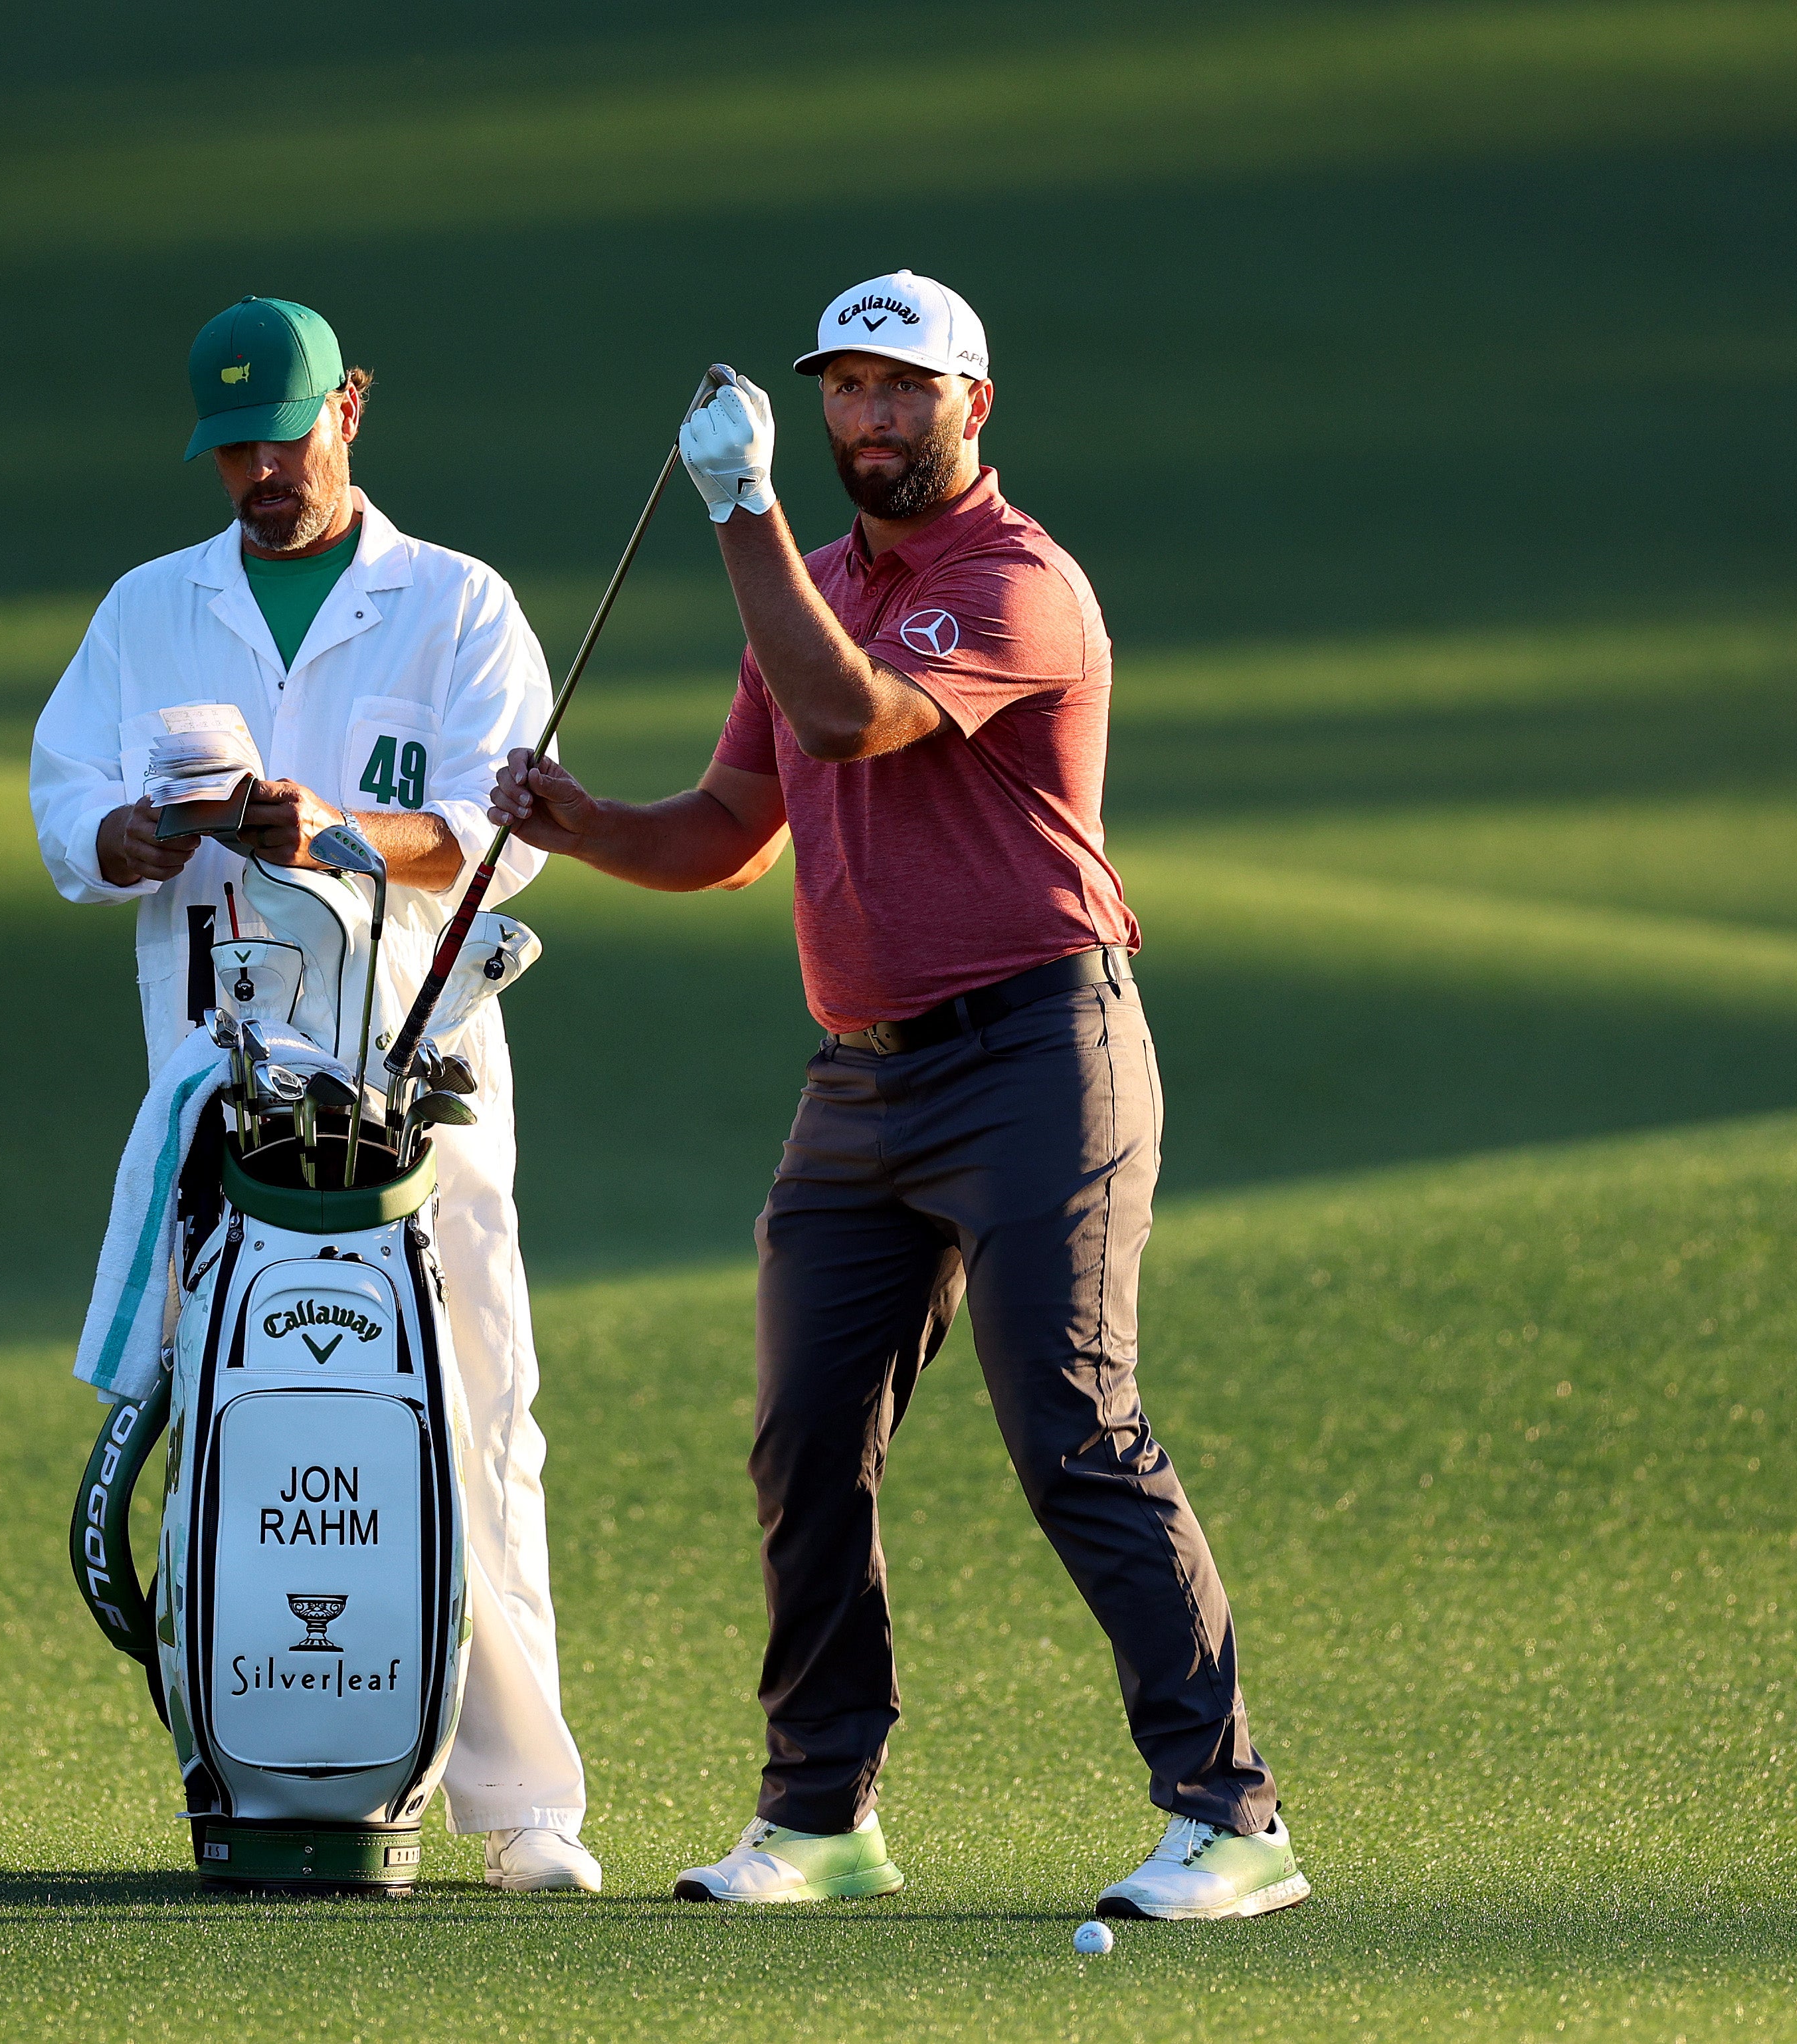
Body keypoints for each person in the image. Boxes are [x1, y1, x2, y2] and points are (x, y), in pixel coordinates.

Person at [485, 271, 1304, 1921]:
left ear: (971, 404)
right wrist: (578, 820)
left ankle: (1230, 1819)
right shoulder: (813, 584)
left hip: (1038, 1057)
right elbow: (728, 826)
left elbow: (852, 720)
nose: (867, 414)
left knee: (1073, 1426)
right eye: (844, 388)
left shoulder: (1017, 581)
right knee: (803, 1442)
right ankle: (819, 1817)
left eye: (899, 387)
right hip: (860, 1080)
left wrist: (739, 506)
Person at [30, 296, 599, 1894]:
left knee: (474, 1414)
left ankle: (521, 1804)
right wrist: (123, 843)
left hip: (425, 1073)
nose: (258, 470)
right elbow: (64, 795)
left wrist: (336, 830)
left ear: (351, 405)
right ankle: (263, 1765)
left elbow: (515, 823)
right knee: (229, 1415)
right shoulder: (152, 606)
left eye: (284, 434)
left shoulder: (458, 605)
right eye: (231, 447)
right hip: (222, 1081)